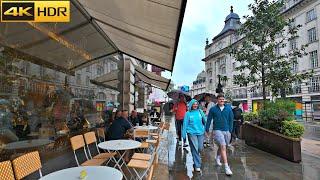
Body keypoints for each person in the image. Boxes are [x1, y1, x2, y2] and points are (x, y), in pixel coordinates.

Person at [206, 94, 233, 176]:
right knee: (223, 146)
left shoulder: (228, 108)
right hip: (217, 130)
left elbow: (231, 120)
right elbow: (209, 119)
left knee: (224, 146)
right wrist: (207, 129)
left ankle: (218, 157)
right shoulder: (213, 109)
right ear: (217, 100)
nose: (221, 100)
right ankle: (226, 167)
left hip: (227, 130)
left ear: (224, 100)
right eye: (220, 99)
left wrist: (230, 130)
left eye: (223, 99)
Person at [182, 99, 206, 172]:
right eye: (193, 104)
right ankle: (197, 164)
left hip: (201, 132)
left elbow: (205, 121)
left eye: (196, 104)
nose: (195, 105)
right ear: (191, 105)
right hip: (191, 133)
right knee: (195, 148)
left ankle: (196, 159)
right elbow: (185, 124)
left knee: (200, 148)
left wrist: (206, 129)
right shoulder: (188, 113)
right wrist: (184, 136)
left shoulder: (200, 111)